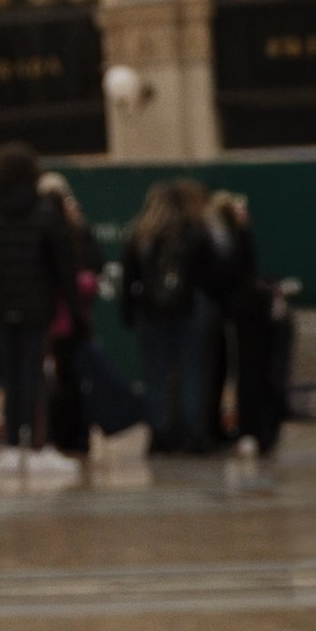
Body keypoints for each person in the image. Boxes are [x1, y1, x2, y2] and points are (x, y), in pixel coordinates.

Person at [0, 142, 77, 486]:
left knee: (10, 377)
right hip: (37, 308)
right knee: (36, 375)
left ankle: (11, 445)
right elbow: (62, 266)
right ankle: (39, 445)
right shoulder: (45, 213)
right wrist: (71, 306)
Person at [120, 178, 217, 456]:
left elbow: (128, 279)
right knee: (190, 372)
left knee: (155, 375)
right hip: (189, 309)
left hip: (150, 312)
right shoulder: (195, 231)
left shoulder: (141, 235)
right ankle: (192, 433)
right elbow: (209, 273)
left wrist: (128, 313)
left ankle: (159, 433)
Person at [205, 188, 291, 466]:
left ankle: (249, 427)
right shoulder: (232, 237)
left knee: (244, 370)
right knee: (248, 370)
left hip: (243, 309)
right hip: (245, 312)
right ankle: (250, 427)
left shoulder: (229, 238)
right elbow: (239, 275)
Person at [37, 172, 103, 469]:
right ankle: (72, 434)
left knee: (66, 378)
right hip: (68, 317)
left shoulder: (72, 230)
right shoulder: (69, 230)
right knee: (69, 379)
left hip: (59, 318)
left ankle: (68, 434)